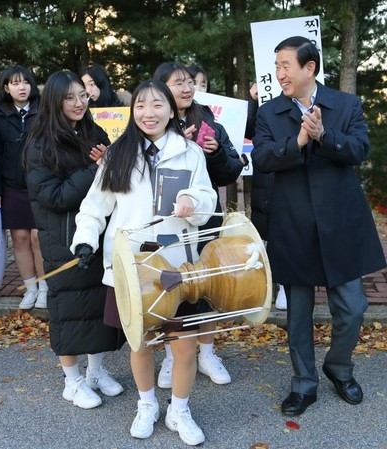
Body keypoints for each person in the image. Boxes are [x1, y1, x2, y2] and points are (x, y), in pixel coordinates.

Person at [71, 79, 216, 445]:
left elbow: (207, 197)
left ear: (171, 110)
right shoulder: (117, 155)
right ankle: (147, 403)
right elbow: (94, 206)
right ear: (132, 111)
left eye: (156, 106)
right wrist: (85, 240)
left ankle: (179, 410)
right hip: (130, 266)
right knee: (141, 342)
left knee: (183, 345)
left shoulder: (190, 152)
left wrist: (191, 202)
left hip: (176, 265)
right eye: (140, 106)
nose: (148, 113)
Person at [251, 36, 386, 417]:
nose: (279, 73)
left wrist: (324, 136)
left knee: (354, 307)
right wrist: (296, 141)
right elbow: (262, 157)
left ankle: (339, 368)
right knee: (298, 314)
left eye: (286, 66)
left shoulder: (344, 105)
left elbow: (359, 150)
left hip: (340, 223)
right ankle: (303, 384)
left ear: (309, 68)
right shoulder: (270, 112)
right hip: (292, 225)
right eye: (276, 66)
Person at [23, 70, 126, 410]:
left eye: (82, 95)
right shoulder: (40, 143)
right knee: (68, 310)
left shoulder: (93, 131)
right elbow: (54, 196)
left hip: (97, 233)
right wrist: (94, 169)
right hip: (63, 238)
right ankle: (72, 380)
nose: (79, 102)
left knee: (98, 306)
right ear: (55, 100)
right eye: (70, 97)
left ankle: (96, 371)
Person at [154, 62, 243, 388]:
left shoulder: (210, 123)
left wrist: (215, 152)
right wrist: (177, 146)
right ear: (161, 88)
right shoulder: (153, 125)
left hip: (205, 221)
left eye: (189, 82)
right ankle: (169, 355)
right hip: (168, 222)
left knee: (207, 286)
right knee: (170, 286)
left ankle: (207, 352)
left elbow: (231, 171)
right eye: (178, 83)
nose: (187, 88)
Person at [0, 66, 48, 309]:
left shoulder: (44, 111)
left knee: (38, 238)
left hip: (40, 186)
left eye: (26, 82)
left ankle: (44, 288)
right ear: (6, 88)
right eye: (15, 83)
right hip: (11, 187)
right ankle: (30, 288)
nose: (21, 87)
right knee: (20, 239)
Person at [246, 82, 287, 311]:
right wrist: (252, 101)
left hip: (288, 179)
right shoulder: (265, 109)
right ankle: (267, 286)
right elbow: (247, 130)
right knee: (264, 235)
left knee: (288, 236)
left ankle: (285, 287)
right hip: (265, 182)